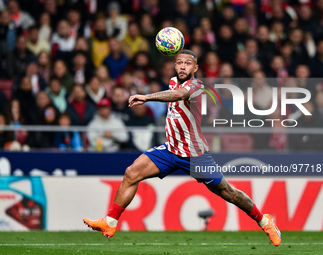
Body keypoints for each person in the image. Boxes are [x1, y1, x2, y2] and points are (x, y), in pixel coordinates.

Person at [83, 50, 281, 247]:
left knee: (228, 192)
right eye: (179, 63)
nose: (183, 66)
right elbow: (174, 91)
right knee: (131, 173)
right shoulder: (172, 81)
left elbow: (178, 95)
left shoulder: (196, 85)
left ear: (195, 68)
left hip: (195, 155)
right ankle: (110, 222)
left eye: (188, 63)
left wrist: (147, 97)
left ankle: (264, 221)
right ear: (175, 66)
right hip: (170, 150)